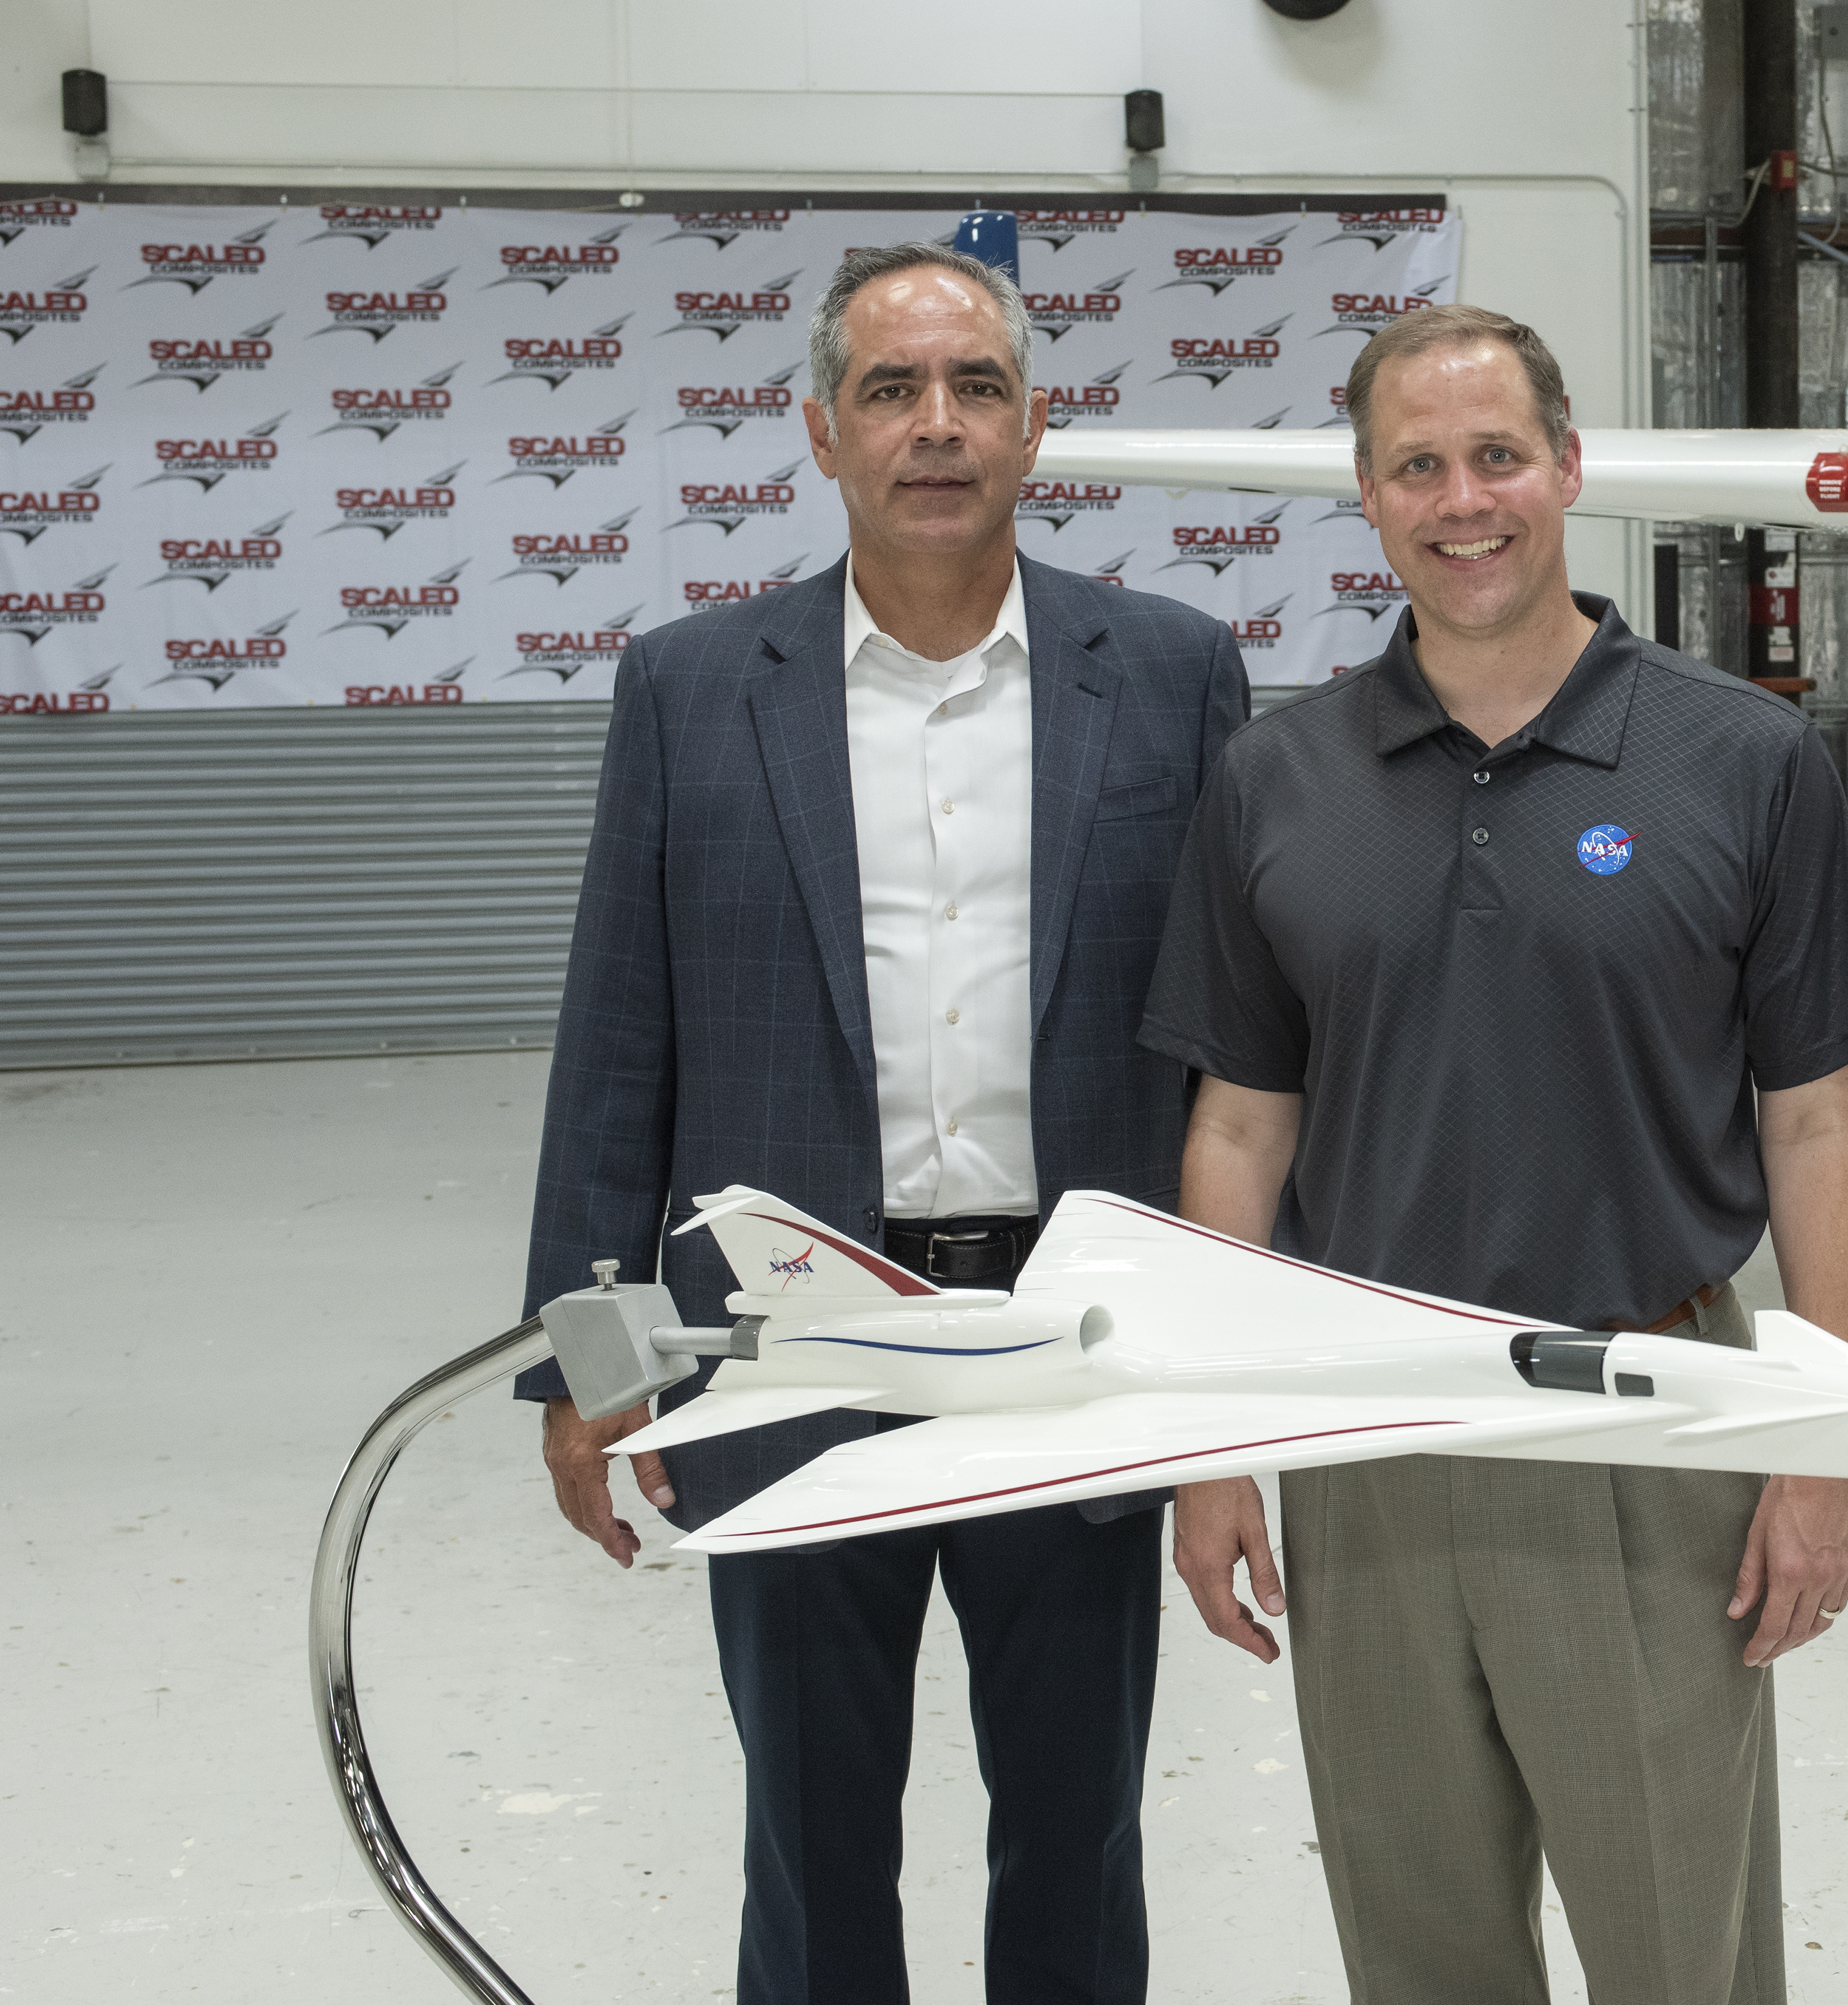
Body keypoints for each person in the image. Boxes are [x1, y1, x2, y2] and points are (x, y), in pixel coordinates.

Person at [1141, 303, 1848, 2005]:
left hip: (1644, 1415)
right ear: (1367, 495)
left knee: (1671, 1935)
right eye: (1417, 465)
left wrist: (1818, 1444)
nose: (1461, 498)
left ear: (1567, 467)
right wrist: (1210, 1450)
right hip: (1368, 1421)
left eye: (1497, 456)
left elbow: (1813, 1118)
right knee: (1416, 1944)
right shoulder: (1275, 781)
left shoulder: (1741, 759)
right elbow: (1240, 1126)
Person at [516, 240, 1246, 2005]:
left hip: (1066, 1340)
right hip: (782, 1339)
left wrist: (1232, 1366)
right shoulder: (694, 686)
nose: (937, 426)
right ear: (821, 432)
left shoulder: (1167, 674)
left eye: (975, 387)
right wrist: (590, 1364)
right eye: (892, 390)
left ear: (1036, 425)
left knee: (1075, 1828)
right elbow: (621, 1042)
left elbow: (1240, 1049)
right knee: (810, 1829)